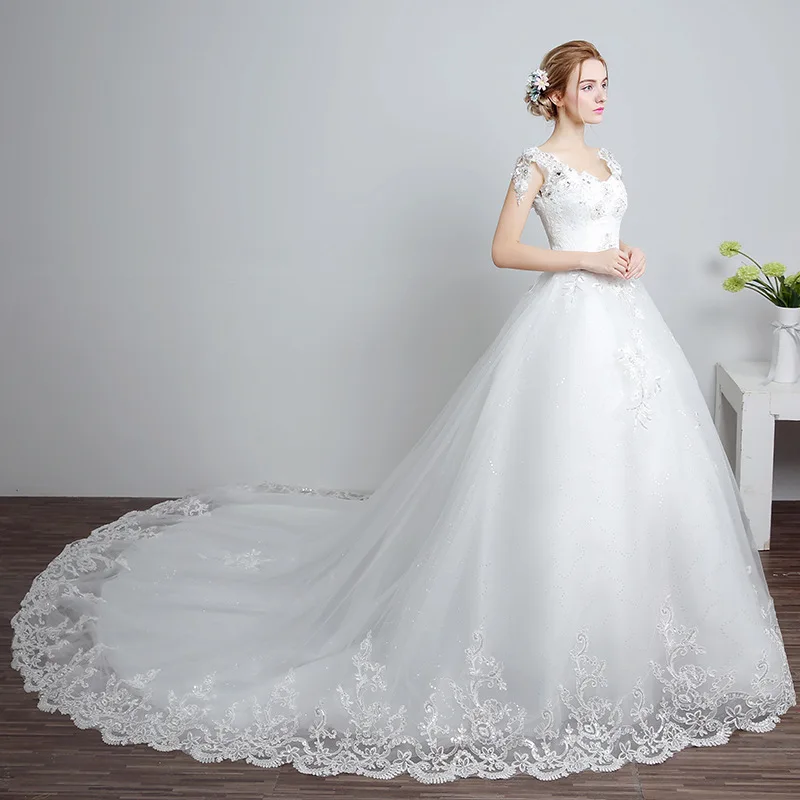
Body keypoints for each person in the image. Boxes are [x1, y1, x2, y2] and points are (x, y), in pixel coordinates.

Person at [11, 39, 795, 784]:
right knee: (558, 470)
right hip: (565, 327)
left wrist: (627, 254)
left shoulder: (609, 161)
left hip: (625, 321)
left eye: (605, 83)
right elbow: (504, 249)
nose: (600, 95)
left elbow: (610, 233)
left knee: (639, 469)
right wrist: (586, 259)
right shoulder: (536, 163)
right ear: (554, 94)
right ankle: (539, 630)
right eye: (587, 84)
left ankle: (630, 633)